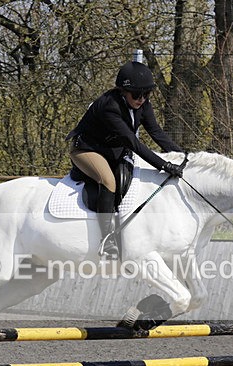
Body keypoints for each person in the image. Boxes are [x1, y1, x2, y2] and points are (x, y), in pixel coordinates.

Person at [66, 61, 185, 259]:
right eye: (136, 94)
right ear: (123, 91)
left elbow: (155, 132)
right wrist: (164, 165)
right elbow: (133, 143)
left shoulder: (143, 104)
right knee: (109, 181)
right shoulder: (109, 107)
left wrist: (181, 156)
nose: (141, 99)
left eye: (146, 94)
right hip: (87, 149)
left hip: (113, 150)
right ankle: (107, 241)